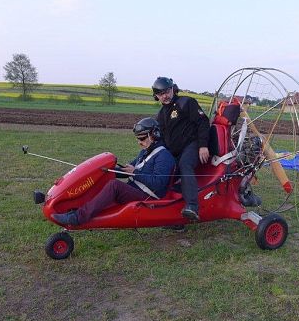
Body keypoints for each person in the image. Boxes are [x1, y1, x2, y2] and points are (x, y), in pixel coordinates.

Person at [52, 118, 175, 226]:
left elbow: (159, 183)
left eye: (142, 138)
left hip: (148, 197)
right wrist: (102, 170)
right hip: (134, 189)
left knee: (114, 186)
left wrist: (135, 173)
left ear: (154, 135)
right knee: (106, 176)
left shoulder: (164, 156)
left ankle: (78, 217)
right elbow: (128, 170)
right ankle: (76, 206)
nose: (139, 142)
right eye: (137, 139)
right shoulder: (145, 152)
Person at [152, 76, 210, 221]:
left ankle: (192, 206)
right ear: (156, 96)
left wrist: (203, 145)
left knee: (185, 164)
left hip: (193, 144)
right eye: (160, 94)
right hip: (174, 151)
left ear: (173, 89)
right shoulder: (160, 115)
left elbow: (203, 122)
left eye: (167, 91)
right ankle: (171, 214)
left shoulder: (186, 102)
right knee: (165, 170)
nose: (165, 96)